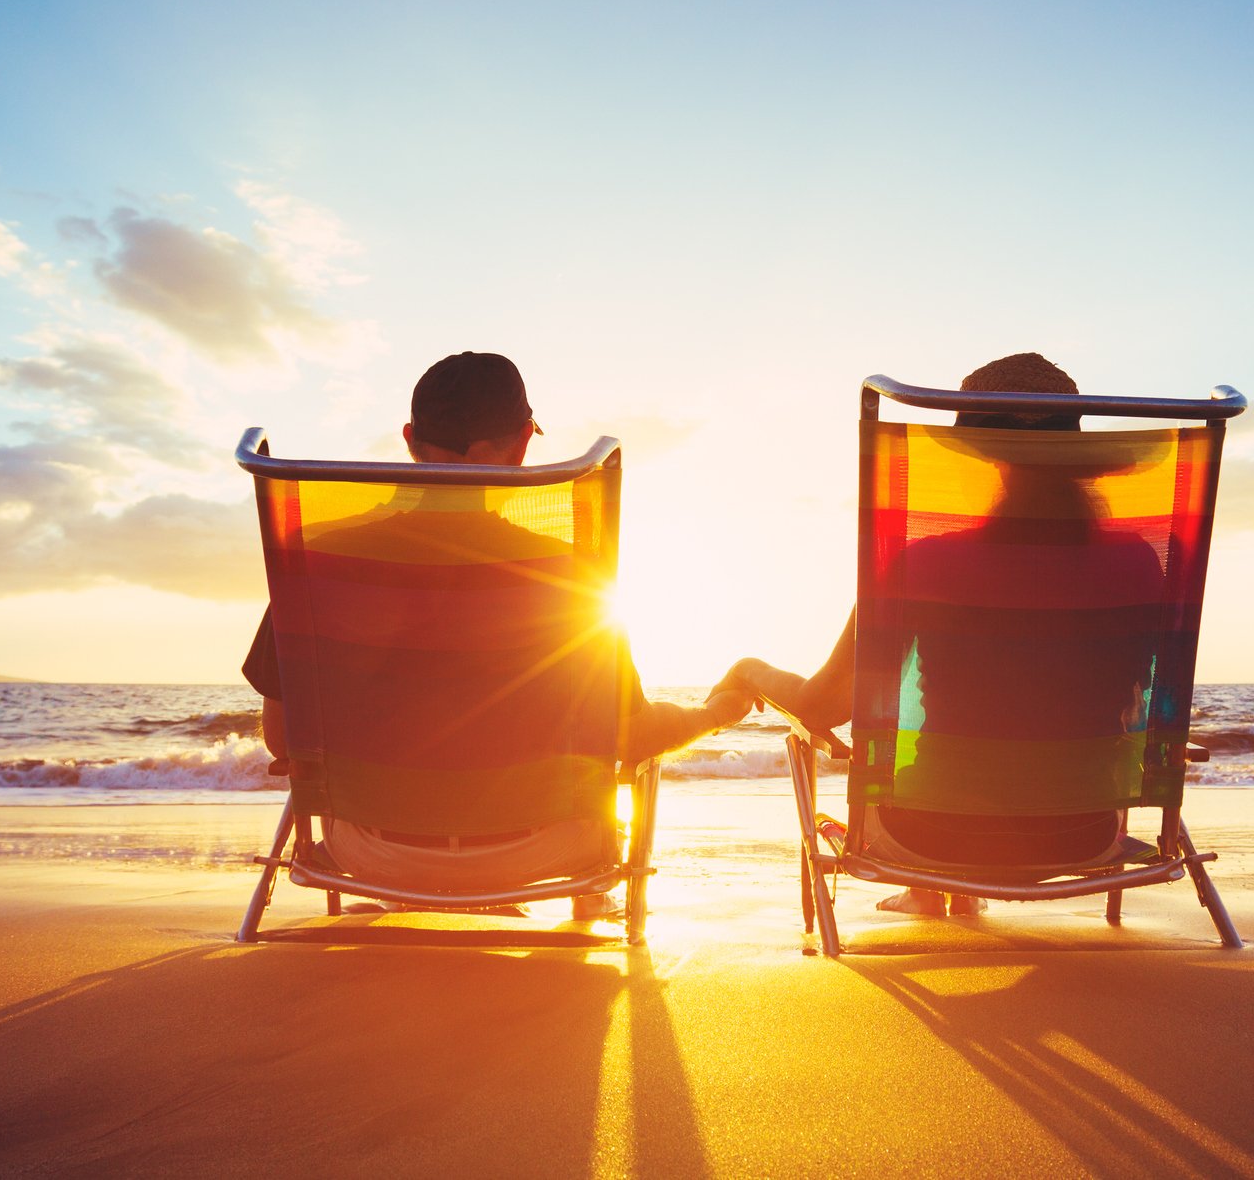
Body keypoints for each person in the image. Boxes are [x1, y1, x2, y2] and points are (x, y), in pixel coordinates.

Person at [244, 351, 751, 917]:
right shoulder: (572, 576)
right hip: (543, 851)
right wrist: (714, 714)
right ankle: (587, 904)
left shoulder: (320, 564)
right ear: (522, 445)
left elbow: (283, 739)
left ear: (410, 439)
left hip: (368, 853)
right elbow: (630, 740)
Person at [713, 352, 1160, 917]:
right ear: (1076, 456)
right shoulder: (1139, 563)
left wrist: (749, 670)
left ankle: (930, 885)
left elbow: (822, 706)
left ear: (986, 460)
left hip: (930, 834)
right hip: (1084, 832)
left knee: (936, 764)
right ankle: (942, 891)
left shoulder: (925, 563)